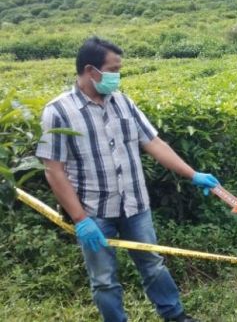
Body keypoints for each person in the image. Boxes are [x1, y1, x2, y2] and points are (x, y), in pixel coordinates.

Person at [35, 37, 218, 322]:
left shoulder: (122, 101)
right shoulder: (58, 111)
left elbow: (154, 143)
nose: (116, 76)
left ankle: (175, 316)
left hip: (135, 205)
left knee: (153, 265)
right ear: (90, 70)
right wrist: (81, 219)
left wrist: (193, 174)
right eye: (113, 69)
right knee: (104, 279)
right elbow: (54, 170)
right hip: (94, 213)